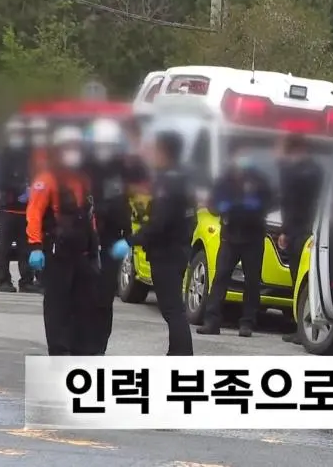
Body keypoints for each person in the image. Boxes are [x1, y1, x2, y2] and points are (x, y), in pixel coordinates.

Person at [109, 131, 194, 355]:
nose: (152, 154)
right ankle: (176, 352)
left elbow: (159, 223)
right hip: (177, 250)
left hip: (167, 253)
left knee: (172, 309)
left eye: (155, 149)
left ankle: (182, 355)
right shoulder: (182, 179)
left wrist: (130, 240)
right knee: (172, 308)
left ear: (164, 151)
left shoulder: (168, 183)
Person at [26, 125, 100, 356]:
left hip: (82, 254)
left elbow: (89, 215)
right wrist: (35, 246)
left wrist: (94, 245)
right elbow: (34, 213)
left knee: (83, 304)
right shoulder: (46, 179)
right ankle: (59, 350)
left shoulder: (83, 180)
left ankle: (80, 348)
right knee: (57, 305)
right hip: (57, 253)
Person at [197, 145, 274, 337]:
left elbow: (271, 202)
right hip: (230, 236)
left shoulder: (259, 180)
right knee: (220, 278)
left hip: (253, 236)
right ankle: (211, 321)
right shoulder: (225, 179)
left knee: (252, 281)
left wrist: (256, 208)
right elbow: (213, 203)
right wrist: (223, 207)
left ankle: (247, 323)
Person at [82, 119, 134, 355]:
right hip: (83, 241)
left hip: (109, 240)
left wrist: (127, 235)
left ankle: (98, 346)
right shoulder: (83, 169)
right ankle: (82, 343)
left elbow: (120, 206)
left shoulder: (118, 172)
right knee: (83, 296)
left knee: (103, 297)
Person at [276, 134, 324, 345]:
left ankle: (300, 329)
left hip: (298, 232)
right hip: (311, 229)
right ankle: (302, 326)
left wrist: (285, 231)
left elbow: (291, 205)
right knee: (305, 281)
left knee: (299, 281)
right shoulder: (317, 171)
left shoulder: (295, 173)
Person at [0, 118, 37, 293]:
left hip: (25, 210)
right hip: (7, 209)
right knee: (4, 248)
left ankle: (26, 281)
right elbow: (1, 179)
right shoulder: (3, 156)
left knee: (25, 248)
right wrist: (21, 187)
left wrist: (32, 188)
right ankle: (4, 281)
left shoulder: (28, 156)